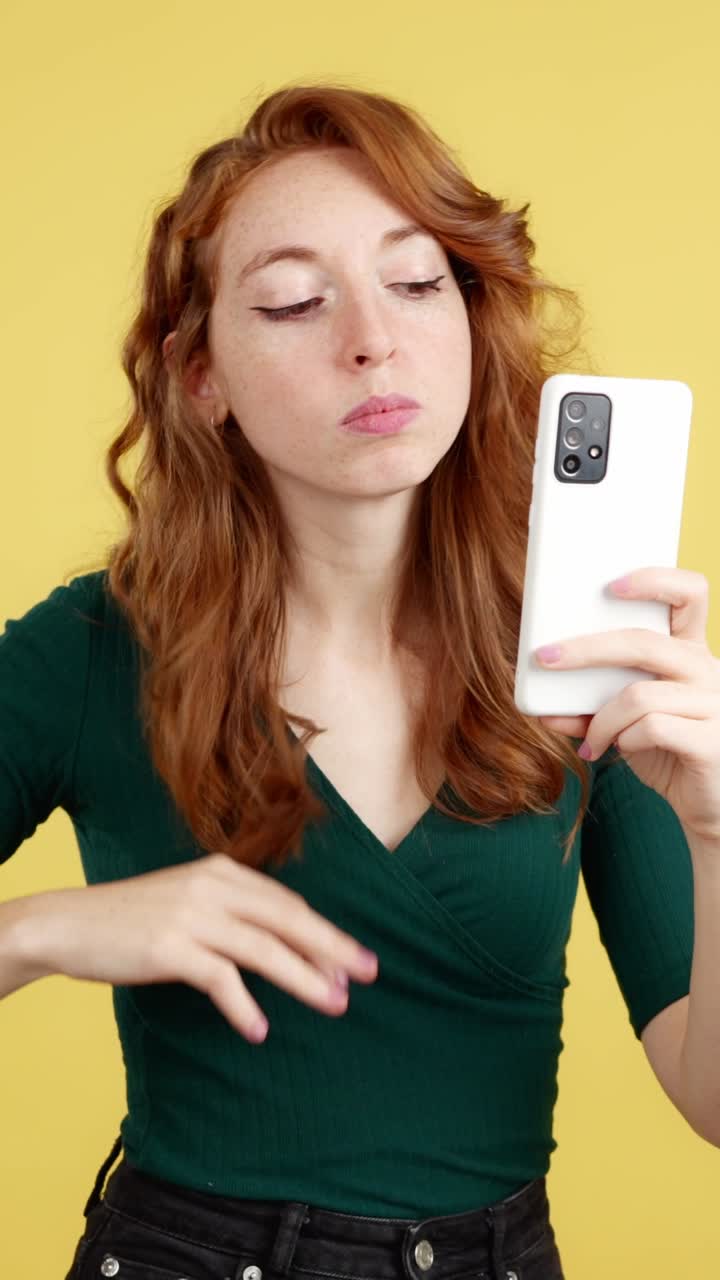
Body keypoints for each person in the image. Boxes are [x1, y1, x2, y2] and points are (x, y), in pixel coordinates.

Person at [0, 82, 696, 1280]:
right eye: (291, 300)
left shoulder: (584, 652)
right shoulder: (97, 645)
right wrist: (43, 929)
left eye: (420, 283)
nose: (372, 337)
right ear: (201, 373)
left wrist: (719, 826)